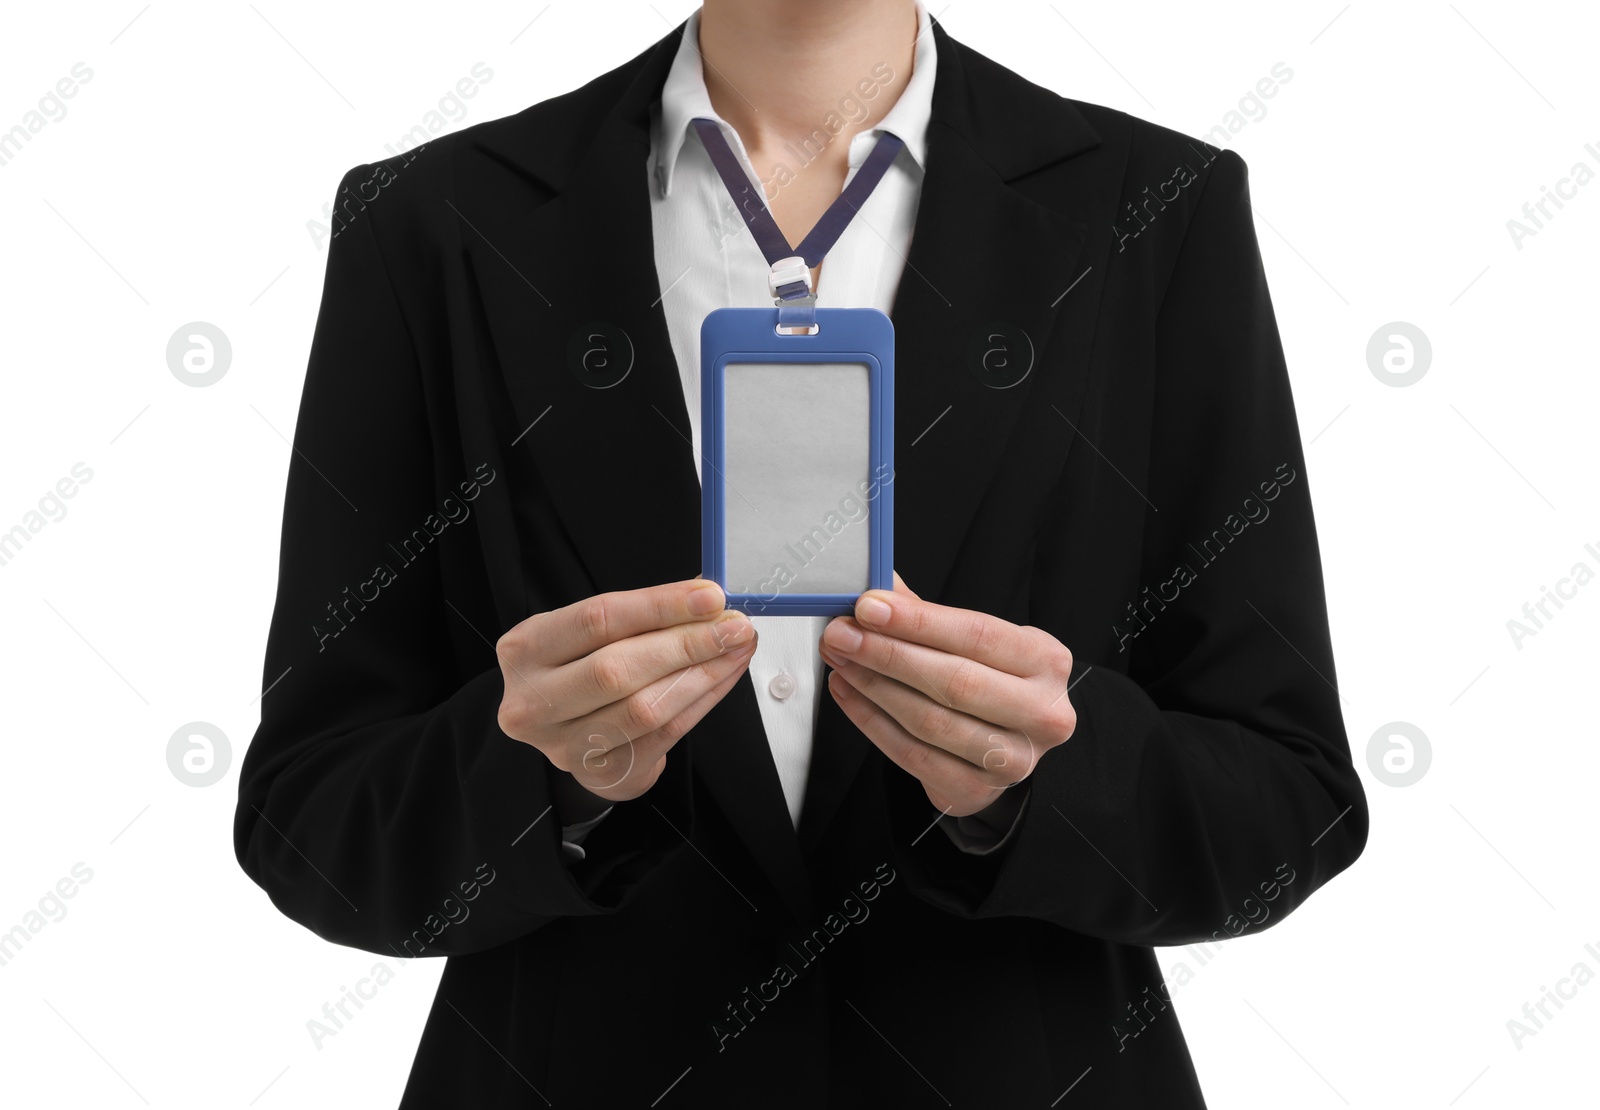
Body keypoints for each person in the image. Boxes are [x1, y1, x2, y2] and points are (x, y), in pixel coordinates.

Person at [235, 1, 1368, 1105]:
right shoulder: (434, 221)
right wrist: (540, 779)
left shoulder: (1156, 210)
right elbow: (309, 820)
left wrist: (1041, 780)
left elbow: (1288, 802)